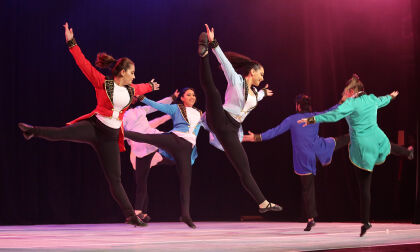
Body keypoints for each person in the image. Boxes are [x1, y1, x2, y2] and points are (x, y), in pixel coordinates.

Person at [17, 22, 159, 227]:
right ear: (122, 73)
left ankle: (131, 216)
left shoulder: (131, 90)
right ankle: (32, 131)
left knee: (115, 180)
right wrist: (71, 42)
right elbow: (83, 64)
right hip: (95, 128)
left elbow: (141, 87)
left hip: (110, 138)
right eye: (132, 72)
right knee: (63, 133)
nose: (134, 76)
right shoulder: (103, 82)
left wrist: (151, 86)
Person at [298, 74, 400, 236]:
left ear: (352, 91)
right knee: (386, 151)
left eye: (345, 92)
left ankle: (365, 221)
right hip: (377, 141)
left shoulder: (352, 102)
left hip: (361, 147)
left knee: (364, 186)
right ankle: (407, 152)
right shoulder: (371, 99)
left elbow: (334, 115)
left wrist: (312, 119)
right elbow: (382, 100)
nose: (343, 95)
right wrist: (391, 97)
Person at [197, 24, 282, 214]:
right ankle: (203, 57)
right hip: (219, 117)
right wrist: (213, 44)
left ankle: (262, 203)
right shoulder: (236, 80)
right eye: (261, 73)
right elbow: (225, 62)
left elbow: (255, 98)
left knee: (244, 168)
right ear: (252, 71)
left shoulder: (253, 93)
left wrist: (264, 94)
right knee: (213, 92)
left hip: (231, 130)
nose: (262, 77)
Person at [243, 94, 348, 231]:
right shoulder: (314, 116)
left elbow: (274, 132)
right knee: (337, 141)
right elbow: (331, 111)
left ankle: (311, 218)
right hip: (318, 149)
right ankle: (355, 136)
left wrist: (255, 137)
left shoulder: (292, 120)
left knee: (308, 189)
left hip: (304, 157)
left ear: (298, 106)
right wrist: (343, 101)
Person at [124, 87, 202, 228]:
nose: (192, 97)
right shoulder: (176, 109)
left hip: (182, 147)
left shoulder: (199, 113)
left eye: (194, 95)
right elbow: (157, 105)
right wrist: (143, 98)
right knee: (141, 177)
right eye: (188, 94)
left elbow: (156, 108)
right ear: (182, 98)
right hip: (154, 144)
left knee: (185, 182)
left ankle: (185, 215)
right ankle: (141, 212)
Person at [123, 90, 179, 223]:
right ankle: (141, 213)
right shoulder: (120, 118)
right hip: (140, 151)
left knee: (170, 151)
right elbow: (120, 134)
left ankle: (138, 212)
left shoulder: (139, 111)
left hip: (151, 144)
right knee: (142, 182)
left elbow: (156, 106)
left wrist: (171, 98)